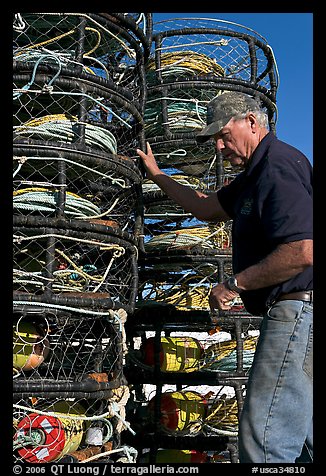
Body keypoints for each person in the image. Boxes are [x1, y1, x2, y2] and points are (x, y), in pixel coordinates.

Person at [136, 91, 313, 463]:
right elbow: (205, 206)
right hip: (300, 314)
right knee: (303, 431)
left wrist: (236, 284)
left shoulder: (278, 166)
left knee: (263, 437)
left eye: (223, 135)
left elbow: (302, 251)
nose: (218, 146)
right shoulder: (253, 176)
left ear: (252, 122)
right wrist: (158, 175)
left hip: (295, 311)